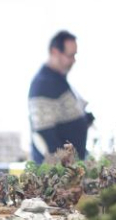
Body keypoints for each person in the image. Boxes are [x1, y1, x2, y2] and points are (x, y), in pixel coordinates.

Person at [28, 30, 92, 163]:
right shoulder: (43, 84)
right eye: (70, 55)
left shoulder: (58, 80)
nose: (73, 60)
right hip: (58, 173)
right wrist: (66, 170)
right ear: (54, 52)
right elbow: (45, 135)